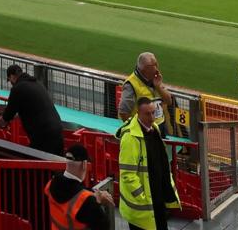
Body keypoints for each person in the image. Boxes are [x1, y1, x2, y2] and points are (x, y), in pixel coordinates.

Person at [117, 97, 180, 230]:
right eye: (147, 114)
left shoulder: (154, 128)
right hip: (144, 205)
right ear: (137, 113)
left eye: (153, 112)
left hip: (157, 198)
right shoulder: (130, 138)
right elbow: (127, 174)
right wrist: (142, 197)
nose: (152, 117)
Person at [0, 65, 64, 156]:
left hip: (42, 135)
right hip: (57, 130)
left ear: (12, 76)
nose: (11, 82)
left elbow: (5, 118)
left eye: (9, 80)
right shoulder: (37, 83)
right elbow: (31, 108)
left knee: (35, 165)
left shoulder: (17, 89)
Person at [45, 144, 114, 230]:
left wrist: (92, 193)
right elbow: (104, 226)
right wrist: (98, 203)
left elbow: (70, 188)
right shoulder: (88, 201)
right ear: (84, 164)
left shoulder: (51, 184)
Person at [119, 52, 174, 136]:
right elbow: (123, 112)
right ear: (144, 69)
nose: (156, 69)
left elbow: (169, 101)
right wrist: (135, 129)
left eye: (156, 64)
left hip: (160, 127)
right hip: (143, 131)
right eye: (153, 66)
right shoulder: (131, 85)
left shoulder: (155, 78)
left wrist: (158, 87)